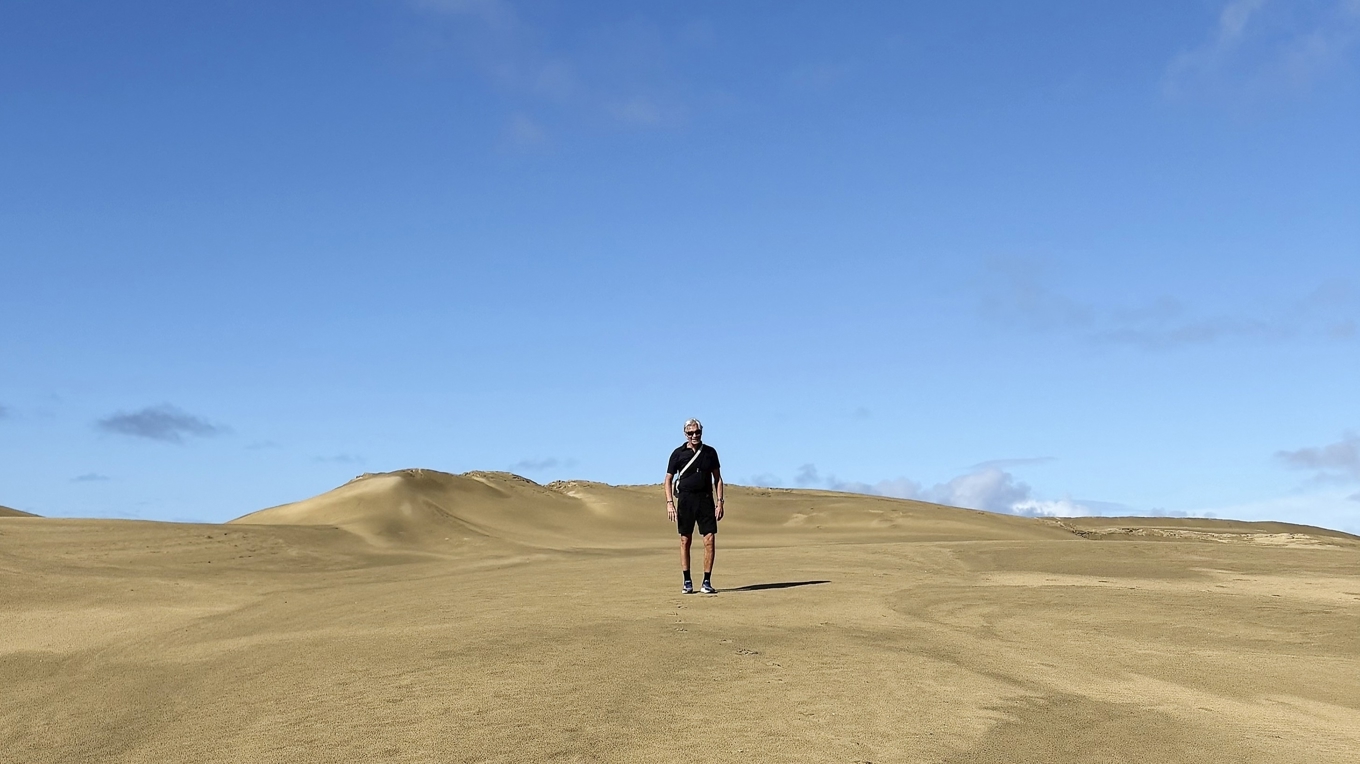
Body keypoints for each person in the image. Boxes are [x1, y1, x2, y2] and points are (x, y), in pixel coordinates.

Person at [665, 418, 724, 594]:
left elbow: (718, 478)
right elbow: (668, 479)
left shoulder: (710, 452)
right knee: (685, 539)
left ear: (701, 432)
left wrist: (720, 502)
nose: (694, 436)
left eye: (697, 432)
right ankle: (687, 580)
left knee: (709, 539)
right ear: (685, 434)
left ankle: (706, 581)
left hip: (705, 499)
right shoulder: (678, 454)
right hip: (685, 500)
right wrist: (670, 503)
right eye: (690, 433)